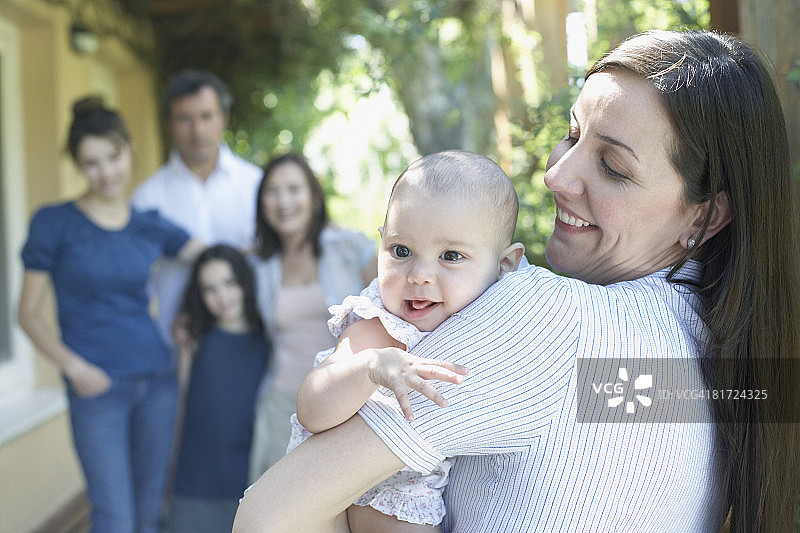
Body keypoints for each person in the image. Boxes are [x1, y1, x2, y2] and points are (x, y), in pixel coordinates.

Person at [234, 29, 800, 533]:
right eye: (572, 134)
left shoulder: (549, 324)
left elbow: (270, 517)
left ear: (705, 216)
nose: (557, 174)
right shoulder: (727, 365)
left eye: (613, 167)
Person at [287, 150, 524, 532]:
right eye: (401, 251)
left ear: (505, 265)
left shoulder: (498, 318)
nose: (419, 274)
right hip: (372, 492)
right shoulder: (382, 326)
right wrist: (370, 367)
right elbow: (311, 409)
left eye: (450, 256)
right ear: (381, 243)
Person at [17, 97, 205, 533]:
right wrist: (75, 368)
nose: (106, 172)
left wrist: (314, 237)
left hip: (157, 380)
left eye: (113, 157)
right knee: (114, 519)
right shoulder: (54, 223)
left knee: (149, 515)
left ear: (129, 151)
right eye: (91, 163)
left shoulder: (149, 224)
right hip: (96, 388)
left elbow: (217, 259)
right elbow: (26, 313)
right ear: (78, 165)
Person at [248, 153, 377, 482]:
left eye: (294, 189)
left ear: (314, 198)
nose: (284, 202)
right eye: (273, 191)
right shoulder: (259, 267)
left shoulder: (350, 248)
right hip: (282, 403)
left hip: (347, 402)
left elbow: (394, 310)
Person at [131, 69, 262, 347]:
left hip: (253, 345)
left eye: (206, 116)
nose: (197, 130)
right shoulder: (147, 198)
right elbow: (136, 282)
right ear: (168, 124)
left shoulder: (256, 186)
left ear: (223, 118)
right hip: (177, 348)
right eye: (184, 119)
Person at [167, 245, 270, 533]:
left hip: (248, 482)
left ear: (245, 281)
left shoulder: (268, 340)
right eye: (209, 289)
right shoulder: (194, 338)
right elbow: (180, 409)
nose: (222, 297)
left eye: (230, 283)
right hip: (194, 481)